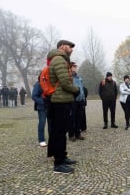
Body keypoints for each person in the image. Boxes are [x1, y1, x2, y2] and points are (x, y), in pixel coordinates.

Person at [47, 39, 80, 174]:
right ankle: (58, 163)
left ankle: (62, 157)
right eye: (69, 46)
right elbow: (65, 83)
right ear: (62, 46)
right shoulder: (59, 60)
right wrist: (76, 90)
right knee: (59, 132)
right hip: (60, 101)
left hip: (61, 100)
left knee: (60, 131)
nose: (71, 49)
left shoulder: (60, 59)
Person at [68, 62, 85, 141]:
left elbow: (82, 89)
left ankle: (78, 134)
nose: (75, 68)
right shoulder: (69, 77)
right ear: (70, 68)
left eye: (75, 66)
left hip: (80, 100)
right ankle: (71, 135)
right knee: (72, 118)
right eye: (74, 66)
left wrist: (83, 99)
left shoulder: (79, 77)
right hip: (72, 100)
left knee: (79, 118)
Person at [32, 76, 48, 147]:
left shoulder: (50, 83)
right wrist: (43, 102)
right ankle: (41, 139)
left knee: (51, 123)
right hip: (42, 107)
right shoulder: (38, 84)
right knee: (42, 123)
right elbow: (34, 96)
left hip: (50, 106)